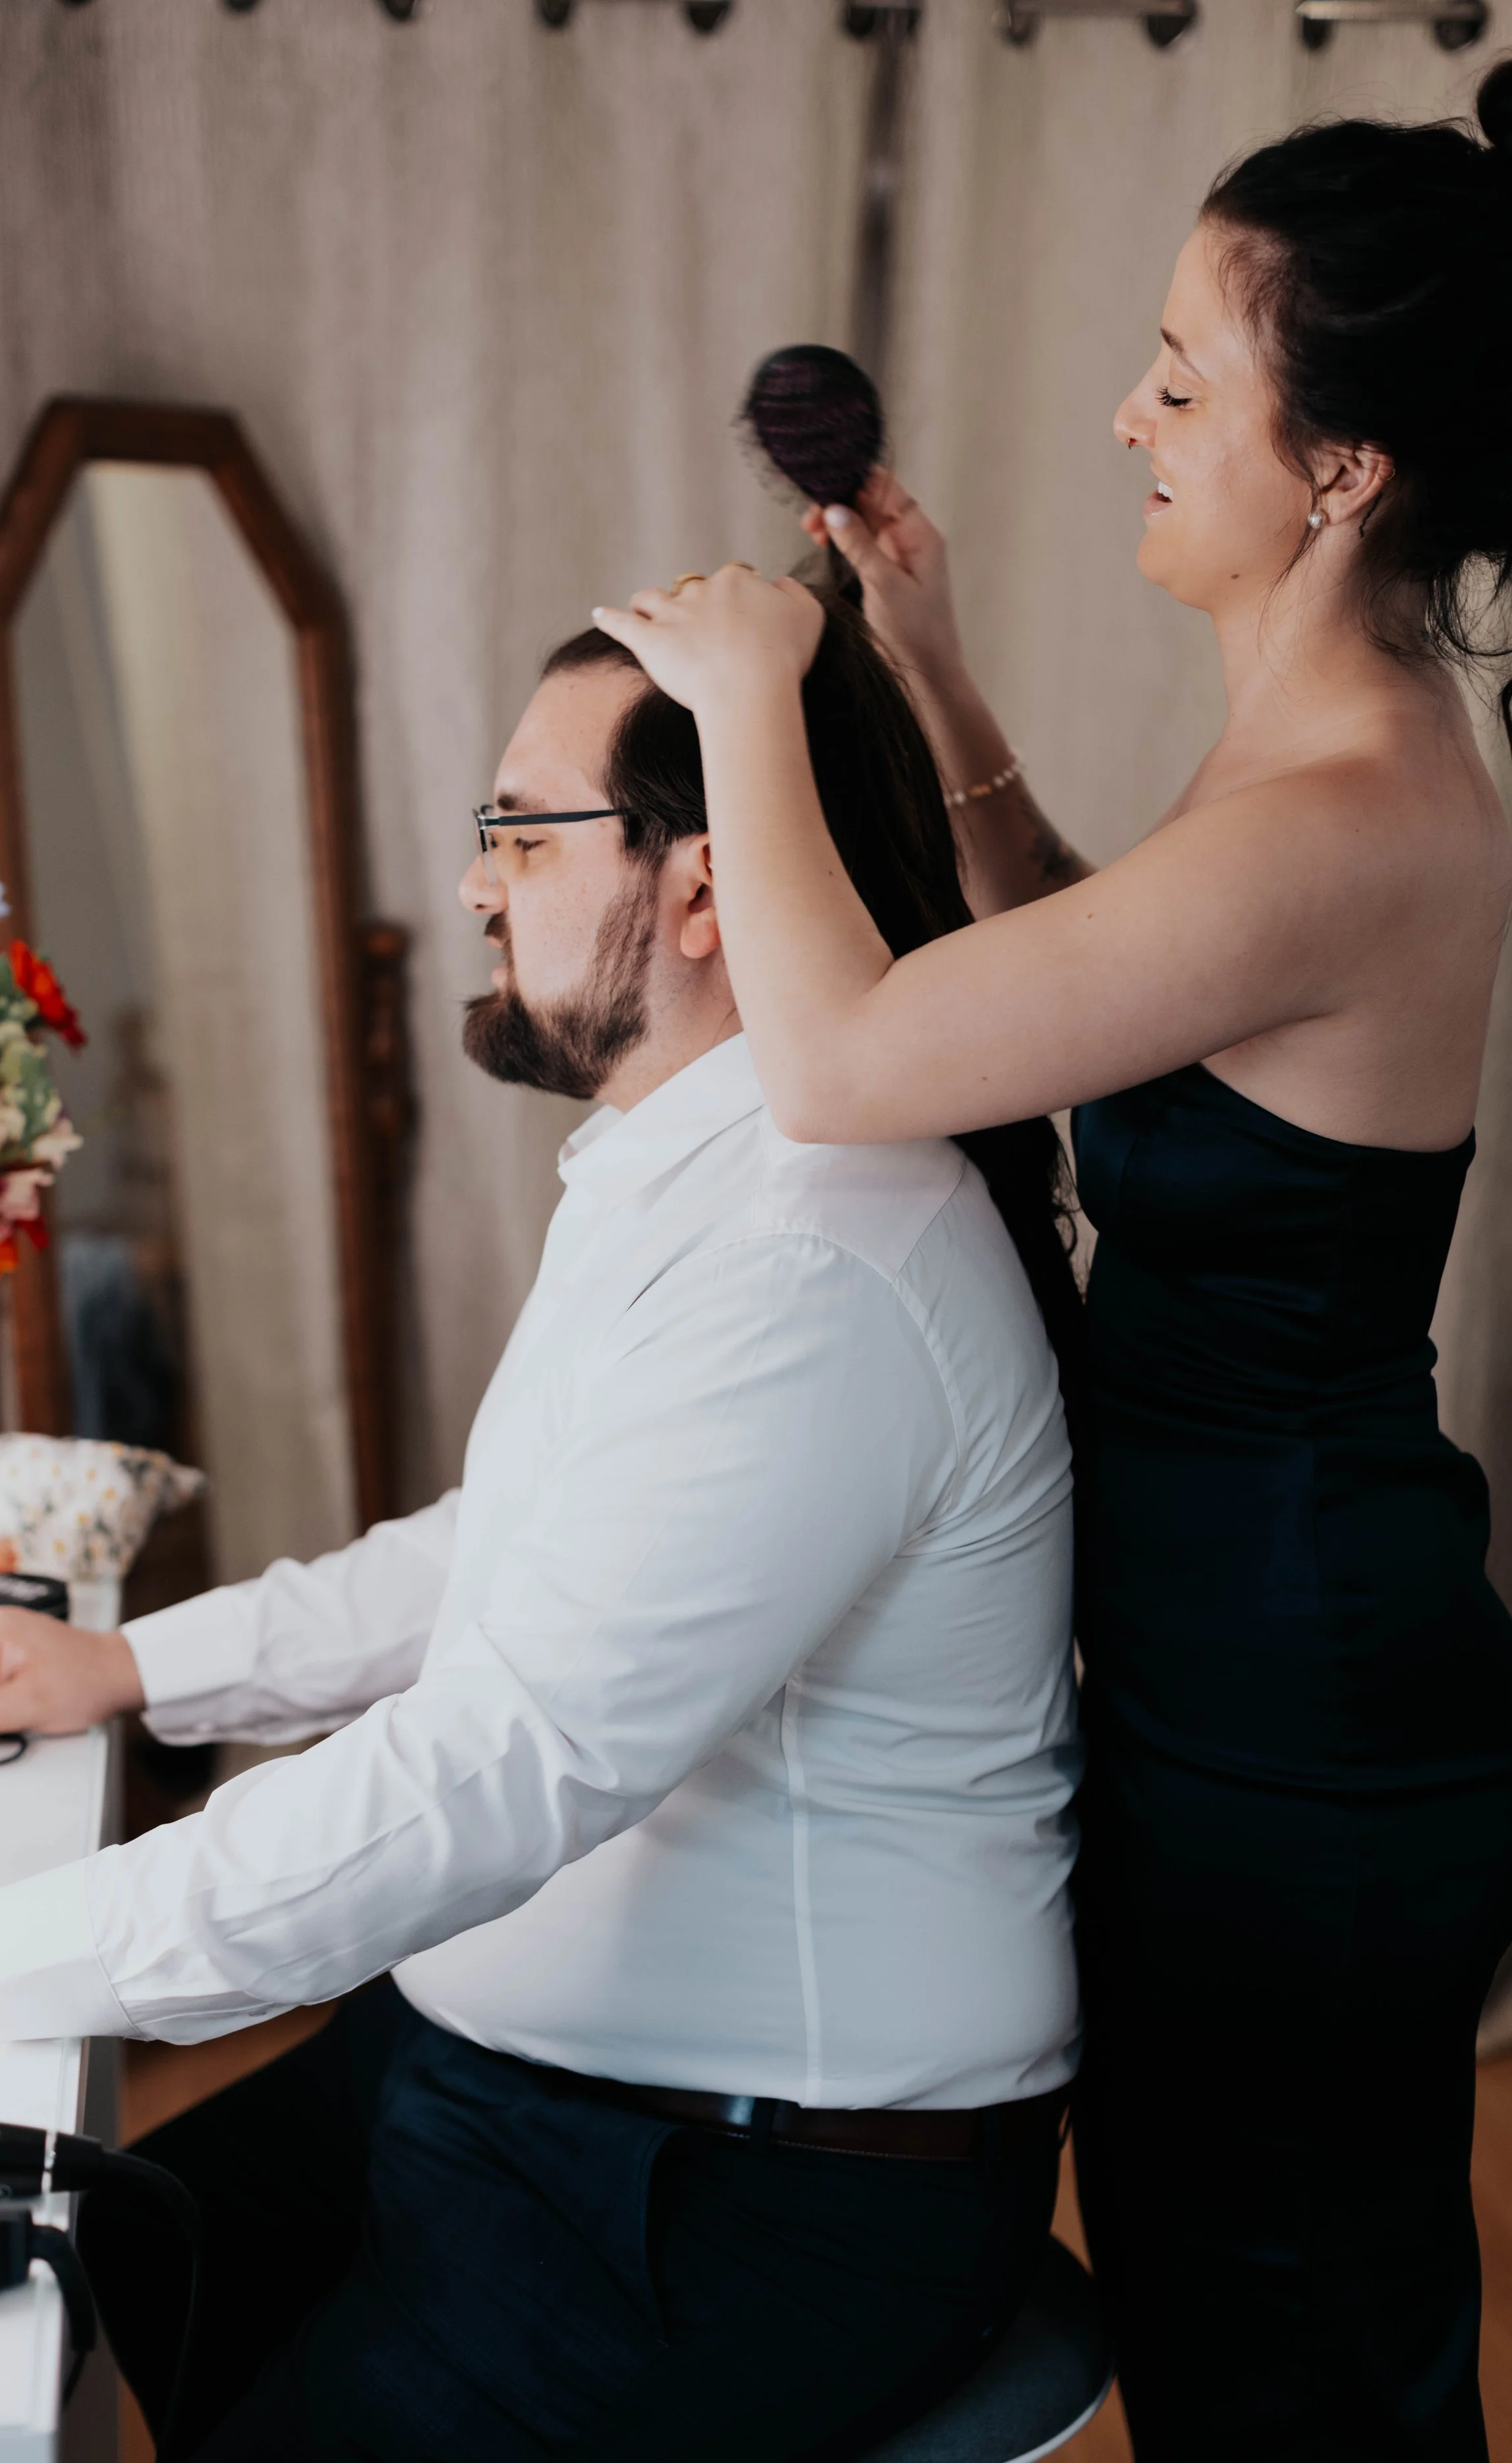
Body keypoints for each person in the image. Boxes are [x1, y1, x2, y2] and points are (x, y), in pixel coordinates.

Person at [0, 595, 1081, 2463]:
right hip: (518, 2078)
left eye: (523, 830)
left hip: (741, 2189)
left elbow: (508, 1761)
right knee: (98, 2264)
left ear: (701, 885)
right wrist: (137, 1661)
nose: (471, 884)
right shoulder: (691, 1165)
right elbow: (503, 1546)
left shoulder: (815, 1258)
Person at [591, 70, 1512, 2463]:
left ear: (1343, 471)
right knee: (1243, 2305)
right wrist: (929, 659)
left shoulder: (1355, 806)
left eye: (1185, 382)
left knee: (1295, 2345)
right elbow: (1092, 979)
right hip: (1239, 1646)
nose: (1128, 411)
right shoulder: (1313, 754)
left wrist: (747, 704)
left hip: (1295, 1713)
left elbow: (859, 1055)